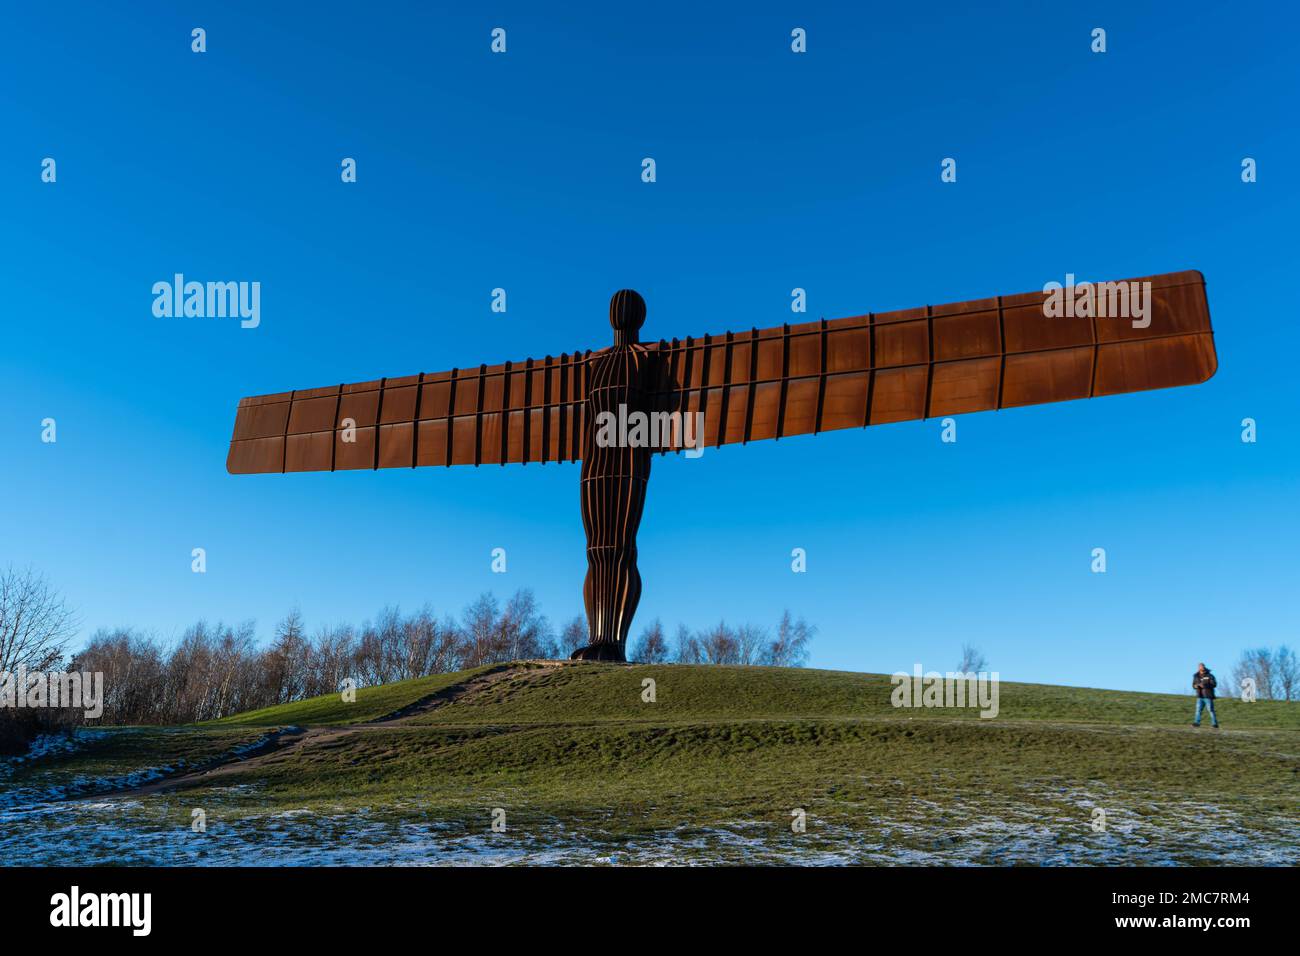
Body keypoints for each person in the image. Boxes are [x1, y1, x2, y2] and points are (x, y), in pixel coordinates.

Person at [1192, 662, 1220, 728]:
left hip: (1208, 696)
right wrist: (1196, 686)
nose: (1201, 668)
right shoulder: (1195, 676)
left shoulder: (1210, 676)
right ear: (1198, 668)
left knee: (1210, 710)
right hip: (1199, 696)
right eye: (1200, 667)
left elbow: (1214, 684)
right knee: (1198, 710)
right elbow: (1193, 685)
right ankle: (1197, 723)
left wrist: (1205, 685)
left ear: (1204, 667)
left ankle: (1214, 724)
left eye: (1202, 666)